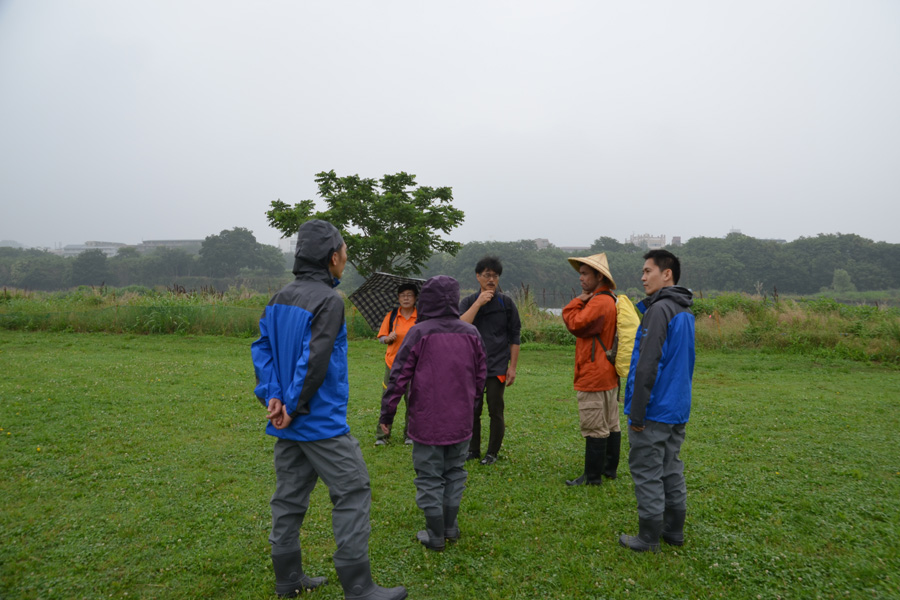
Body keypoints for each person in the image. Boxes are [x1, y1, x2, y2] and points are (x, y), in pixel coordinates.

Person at [251, 219, 407, 600]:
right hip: (318, 422)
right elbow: (315, 358)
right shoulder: (329, 300)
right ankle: (358, 586)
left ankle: (287, 580)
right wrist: (292, 404)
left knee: (288, 497)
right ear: (332, 257)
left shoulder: (279, 297)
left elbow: (262, 350)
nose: (345, 260)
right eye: (345, 254)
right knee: (353, 490)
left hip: (286, 421)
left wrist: (272, 397)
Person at [379, 275, 487, 551]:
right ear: (453, 298)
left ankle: (436, 534)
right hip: (461, 420)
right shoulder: (471, 333)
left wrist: (387, 415)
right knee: (454, 472)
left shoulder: (419, 332)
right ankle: (449, 526)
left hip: (427, 421)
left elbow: (399, 376)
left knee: (429, 476)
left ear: (426, 299)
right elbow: (480, 377)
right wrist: (471, 410)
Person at [619, 249, 695, 553]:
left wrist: (637, 412)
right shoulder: (685, 310)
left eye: (648, 271)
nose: (642, 277)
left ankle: (649, 536)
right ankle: (673, 529)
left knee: (647, 469)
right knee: (670, 467)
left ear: (667, 274)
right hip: (677, 407)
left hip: (655, 409)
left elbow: (647, 364)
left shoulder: (660, 310)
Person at [561, 253, 621, 486]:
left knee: (595, 424)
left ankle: (592, 477)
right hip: (608, 372)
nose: (581, 279)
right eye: (580, 274)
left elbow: (575, 322)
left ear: (599, 275)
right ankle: (609, 469)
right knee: (610, 422)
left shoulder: (598, 301)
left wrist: (577, 300)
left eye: (585, 274)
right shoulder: (611, 299)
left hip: (594, 373)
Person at [459, 256, 521, 466]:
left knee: (495, 409)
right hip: (471, 366)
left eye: (495, 276)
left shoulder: (507, 303)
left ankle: (492, 452)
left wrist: (512, 367)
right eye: (487, 275)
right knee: (472, 409)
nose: (491, 279)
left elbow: (515, 336)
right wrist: (478, 302)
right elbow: (459, 326)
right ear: (478, 277)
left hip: (497, 365)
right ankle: (473, 450)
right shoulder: (468, 302)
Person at [374, 283, 418, 446]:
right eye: (403, 295)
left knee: (412, 399)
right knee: (388, 399)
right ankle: (382, 435)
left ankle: (410, 435)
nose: (406, 298)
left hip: (414, 365)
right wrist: (387, 338)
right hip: (392, 363)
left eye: (410, 295)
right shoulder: (392, 316)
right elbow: (381, 338)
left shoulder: (420, 317)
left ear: (415, 298)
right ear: (398, 298)